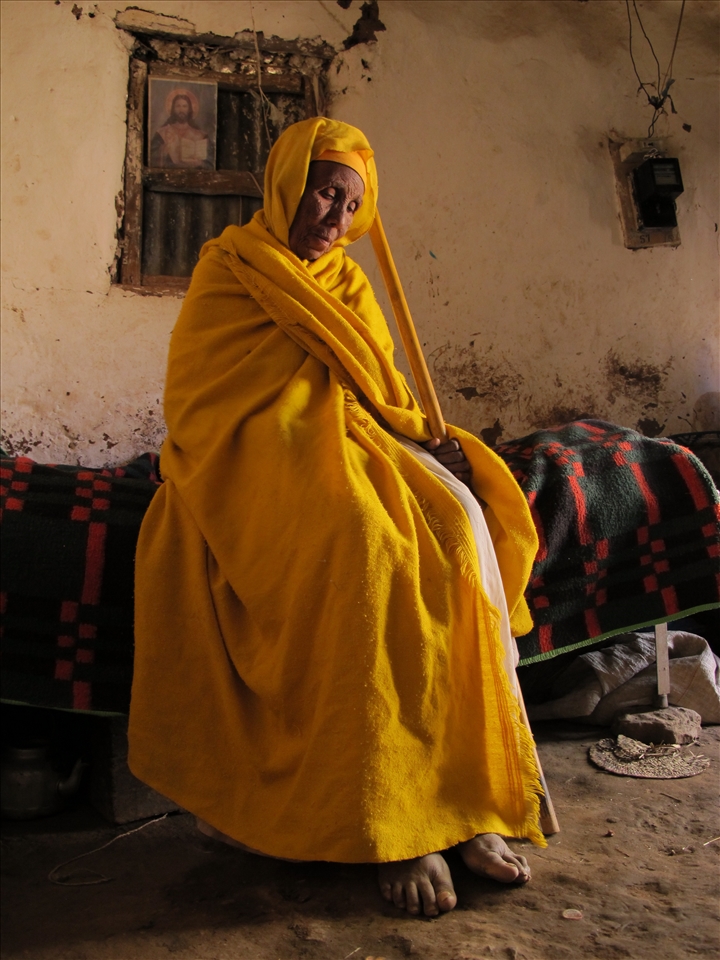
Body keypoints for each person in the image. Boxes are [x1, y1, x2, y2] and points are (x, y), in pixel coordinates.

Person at [128, 117, 543, 918]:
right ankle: (392, 824)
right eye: (324, 192)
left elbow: (380, 392)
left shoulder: (349, 282)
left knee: (462, 526)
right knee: (359, 539)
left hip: (354, 438)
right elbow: (197, 399)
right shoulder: (231, 267)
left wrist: (430, 442)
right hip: (258, 450)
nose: (335, 218)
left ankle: (465, 802)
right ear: (287, 183)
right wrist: (311, 435)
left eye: (352, 205)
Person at [150, 90, 210, 168]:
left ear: (189, 109)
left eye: (185, 106)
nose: (181, 110)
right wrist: (164, 151)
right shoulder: (162, 133)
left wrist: (200, 163)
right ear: (173, 109)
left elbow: (210, 163)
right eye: (178, 106)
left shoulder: (201, 135)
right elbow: (152, 157)